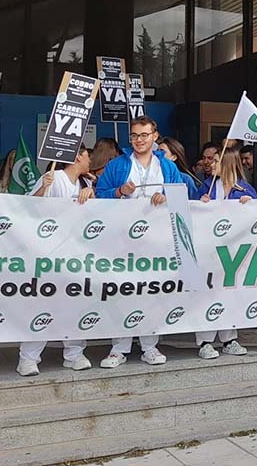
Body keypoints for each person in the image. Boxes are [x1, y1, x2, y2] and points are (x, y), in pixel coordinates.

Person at [95, 116, 188, 368]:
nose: (139, 140)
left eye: (144, 135)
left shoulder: (167, 166)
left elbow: (183, 193)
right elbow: (99, 195)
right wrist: (119, 192)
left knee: (152, 293)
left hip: (156, 241)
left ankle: (149, 346)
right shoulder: (117, 165)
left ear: (154, 136)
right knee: (122, 292)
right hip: (122, 240)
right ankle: (118, 349)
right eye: (135, 135)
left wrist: (166, 196)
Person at [18, 145, 95, 376]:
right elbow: (28, 208)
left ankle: (74, 354)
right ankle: (28, 358)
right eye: (87, 156)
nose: (90, 161)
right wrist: (44, 187)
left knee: (75, 303)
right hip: (49, 253)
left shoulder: (86, 183)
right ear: (78, 157)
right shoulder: (54, 177)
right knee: (43, 303)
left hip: (75, 255)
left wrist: (91, 195)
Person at [195, 147, 257, 356]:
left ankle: (229, 339)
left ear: (227, 163)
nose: (210, 165)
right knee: (208, 293)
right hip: (209, 249)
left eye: (216, 161)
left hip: (234, 252)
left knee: (231, 293)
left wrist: (250, 205)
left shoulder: (245, 189)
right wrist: (200, 203)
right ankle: (205, 341)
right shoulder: (207, 186)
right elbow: (192, 212)